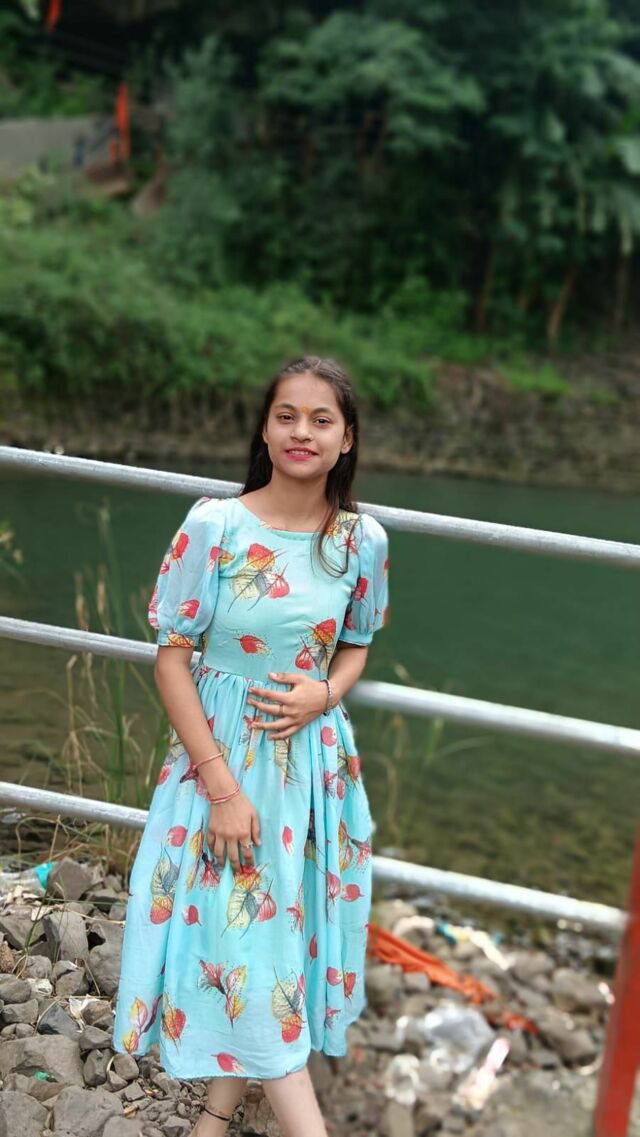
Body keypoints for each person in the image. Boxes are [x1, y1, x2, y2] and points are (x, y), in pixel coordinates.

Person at [112, 356, 390, 1137]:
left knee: (268, 944)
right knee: (246, 941)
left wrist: (323, 693)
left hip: (311, 770)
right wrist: (221, 787)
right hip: (221, 762)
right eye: (286, 415)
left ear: (347, 439)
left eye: (321, 419)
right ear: (264, 431)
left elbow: (356, 644)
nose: (302, 431)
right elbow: (171, 659)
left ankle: (211, 1122)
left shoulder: (360, 540)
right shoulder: (216, 525)